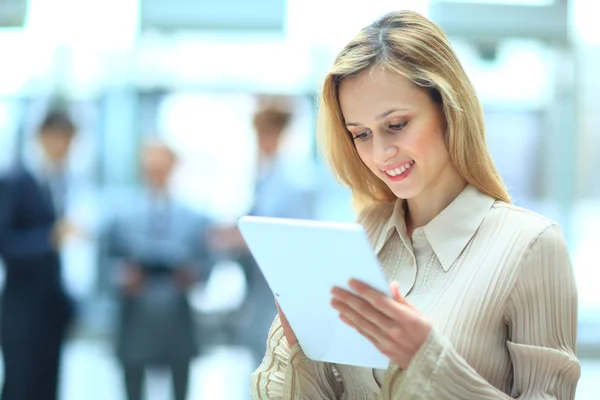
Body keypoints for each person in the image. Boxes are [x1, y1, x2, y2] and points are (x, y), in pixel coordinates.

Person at [251, 10, 580, 399]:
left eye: (397, 124)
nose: (381, 153)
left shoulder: (530, 245)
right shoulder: (362, 236)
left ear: (448, 108)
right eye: (361, 134)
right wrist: (299, 351)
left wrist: (429, 361)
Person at [102, 139, 212, 400]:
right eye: (152, 167)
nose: (157, 173)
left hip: (176, 312)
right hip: (135, 311)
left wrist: (194, 275)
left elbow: (206, 261)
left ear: (173, 168)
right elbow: (104, 261)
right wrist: (121, 276)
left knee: (180, 383)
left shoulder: (195, 218)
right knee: (133, 384)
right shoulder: (120, 215)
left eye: (162, 167)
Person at [211, 100, 315, 367]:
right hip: (258, 290)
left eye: (267, 132)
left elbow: (293, 237)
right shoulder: (264, 178)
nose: (262, 140)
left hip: (281, 291)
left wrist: (243, 238)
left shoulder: (294, 182)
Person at [0, 110, 77, 400]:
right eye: (59, 140)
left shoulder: (60, 183)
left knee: (48, 388)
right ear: (42, 138)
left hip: (52, 308)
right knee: (21, 387)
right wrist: (49, 239)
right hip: (21, 309)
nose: (64, 149)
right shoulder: (15, 180)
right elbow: (5, 243)